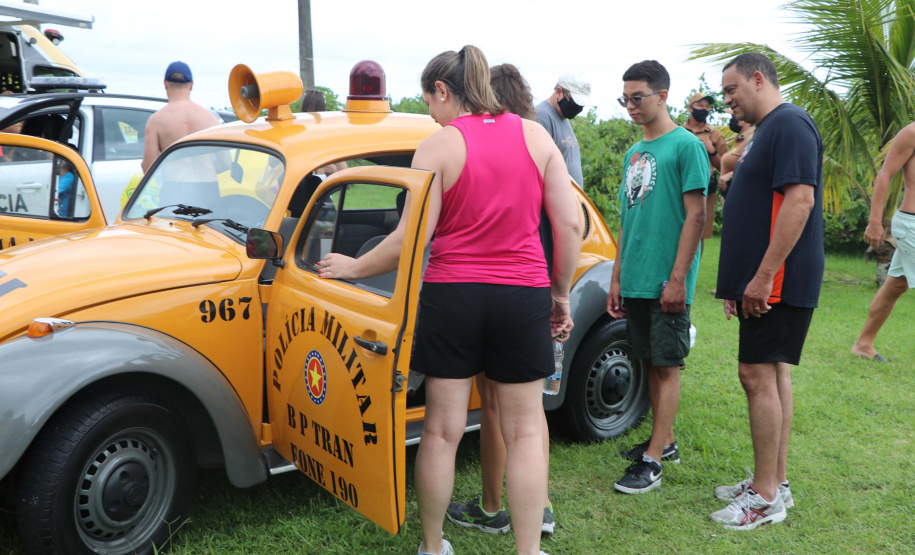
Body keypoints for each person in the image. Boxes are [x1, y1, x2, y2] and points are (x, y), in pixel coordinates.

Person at [315, 45, 582, 555]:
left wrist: (354, 266)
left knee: (441, 431)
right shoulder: (536, 135)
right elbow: (567, 224)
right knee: (526, 431)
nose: (430, 114)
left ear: (444, 91)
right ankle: (529, 551)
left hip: (452, 295)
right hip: (521, 293)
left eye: (429, 101)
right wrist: (561, 294)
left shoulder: (438, 147)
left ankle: (433, 546)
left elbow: (409, 239)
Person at [712, 52, 824, 530]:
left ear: (758, 80)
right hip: (766, 279)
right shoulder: (767, 131)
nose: (729, 102)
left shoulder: (790, 124)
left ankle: (763, 497)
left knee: (755, 375)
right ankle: (773, 480)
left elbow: (800, 200)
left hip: (777, 281)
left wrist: (761, 277)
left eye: (732, 90)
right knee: (773, 373)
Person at [445, 62, 554, 536]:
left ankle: (492, 505)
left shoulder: (490, 150)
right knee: (531, 412)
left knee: (495, 403)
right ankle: (540, 506)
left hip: (507, 283)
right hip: (537, 284)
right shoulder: (541, 148)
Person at [607, 60, 708, 494]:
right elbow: (628, 219)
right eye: (624, 98)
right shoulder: (634, 152)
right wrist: (617, 277)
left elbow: (697, 215)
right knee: (648, 359)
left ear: (662, 96)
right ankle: (661, 441)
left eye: (637, 97)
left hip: (668, 279)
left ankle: (653, 461)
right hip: (636, 276)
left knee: (667, 365)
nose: (630, 105)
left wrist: (678, 278)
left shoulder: (687, 146)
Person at [850, 122, 915, 361]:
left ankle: (863, 344)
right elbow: (885, 176)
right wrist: (874, 221)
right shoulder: (911, 133)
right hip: (911, 223)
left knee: (896, 285)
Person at [141, 61, 220, 173]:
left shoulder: (156, 121)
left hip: (175, 186)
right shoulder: (211, 119)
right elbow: (225, 163)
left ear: (165, 84)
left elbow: (148, 167)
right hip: (208, 185)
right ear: (191, 85)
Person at [682, 92, 728, 249]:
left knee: (699, 233)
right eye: (700, 105)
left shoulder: (715, 135)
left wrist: (711, 150)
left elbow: (725, 167)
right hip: (680, 187)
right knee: (678, 228)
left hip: (705, 190)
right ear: (690, 108)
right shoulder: (679, 132)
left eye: (707, 107)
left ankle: (693, 272)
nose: (704, 109)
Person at [535, 73, 591, 188]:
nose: (577, 107)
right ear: (559, 91)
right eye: (573, 102)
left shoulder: (562, 115)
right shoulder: (542, 117)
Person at [719, 113, 755, 199]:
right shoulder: (740, 139)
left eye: (734, 116)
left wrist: (731, 175)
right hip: (732, 195)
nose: (732, 120)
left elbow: (756, 166)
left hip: (744, 196)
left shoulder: (752, 137)